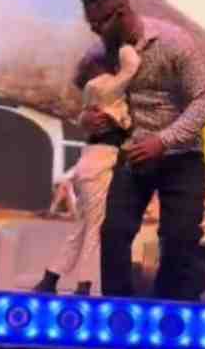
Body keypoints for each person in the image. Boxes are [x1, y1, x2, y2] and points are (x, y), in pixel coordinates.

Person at [77, 0, 205, 300]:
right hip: (131, 154)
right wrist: (87, 118)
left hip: (181, 155)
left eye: (99, 24)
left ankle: (167, 313)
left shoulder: (173, 42)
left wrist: (164, 141)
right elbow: (83, 99)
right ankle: (119, 312)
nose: (95, 32)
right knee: (113, 233)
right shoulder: (99, 54)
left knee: (180, 238)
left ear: (121, 12)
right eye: (91, 25)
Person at [32, 44, 142, 296]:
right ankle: (84, 285)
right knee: (94, 230)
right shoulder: (104, 85)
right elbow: (131, 67)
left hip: (92, 160)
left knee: (82, 228)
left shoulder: (94, 92)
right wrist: (126, 44)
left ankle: (50, 278)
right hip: (100, 161)